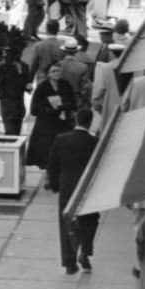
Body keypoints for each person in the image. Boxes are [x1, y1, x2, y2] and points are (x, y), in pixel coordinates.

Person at [46, 108, 99, 274]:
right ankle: (85, 251)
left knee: (67, 223)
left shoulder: (61, 139)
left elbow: (52, 165)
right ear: (90, 122)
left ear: (76, 120)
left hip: (67, 187)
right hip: (87, 188)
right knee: (90, 220)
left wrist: (54, 185)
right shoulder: (94, 142)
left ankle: (69, 262)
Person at [26, 61, 76, 170]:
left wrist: (63, 107)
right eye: (53, 71)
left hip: (63, 125)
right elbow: (34, 110)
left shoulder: (66, 85)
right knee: (46, 157)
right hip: (46, 127)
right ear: (48, 74)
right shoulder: (42, 87)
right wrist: (49, 109)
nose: (57, 73)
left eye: (58, 71)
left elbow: (73, 104)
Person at [0, 45, 31, 136]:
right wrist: (4, 98)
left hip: (19, 105)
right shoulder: (2, 67)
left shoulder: (24, 66)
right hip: (8, 105)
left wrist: (27, 87)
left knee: (17, 132)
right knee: (10, 132)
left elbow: (24, 82)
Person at [58, 36, 92, 111]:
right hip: (76, 99)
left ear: (64, 51)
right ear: (76, 51)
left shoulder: (57, 66)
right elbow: (85, 89)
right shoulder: (83, 67)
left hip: (60, 99)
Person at [28, 19, 65, 86]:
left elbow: (33, 65)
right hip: (56, 81)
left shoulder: (38, 46)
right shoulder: (62, 47)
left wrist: (30, 82)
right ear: (58, 30)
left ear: (47, 30)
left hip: (42, 81)